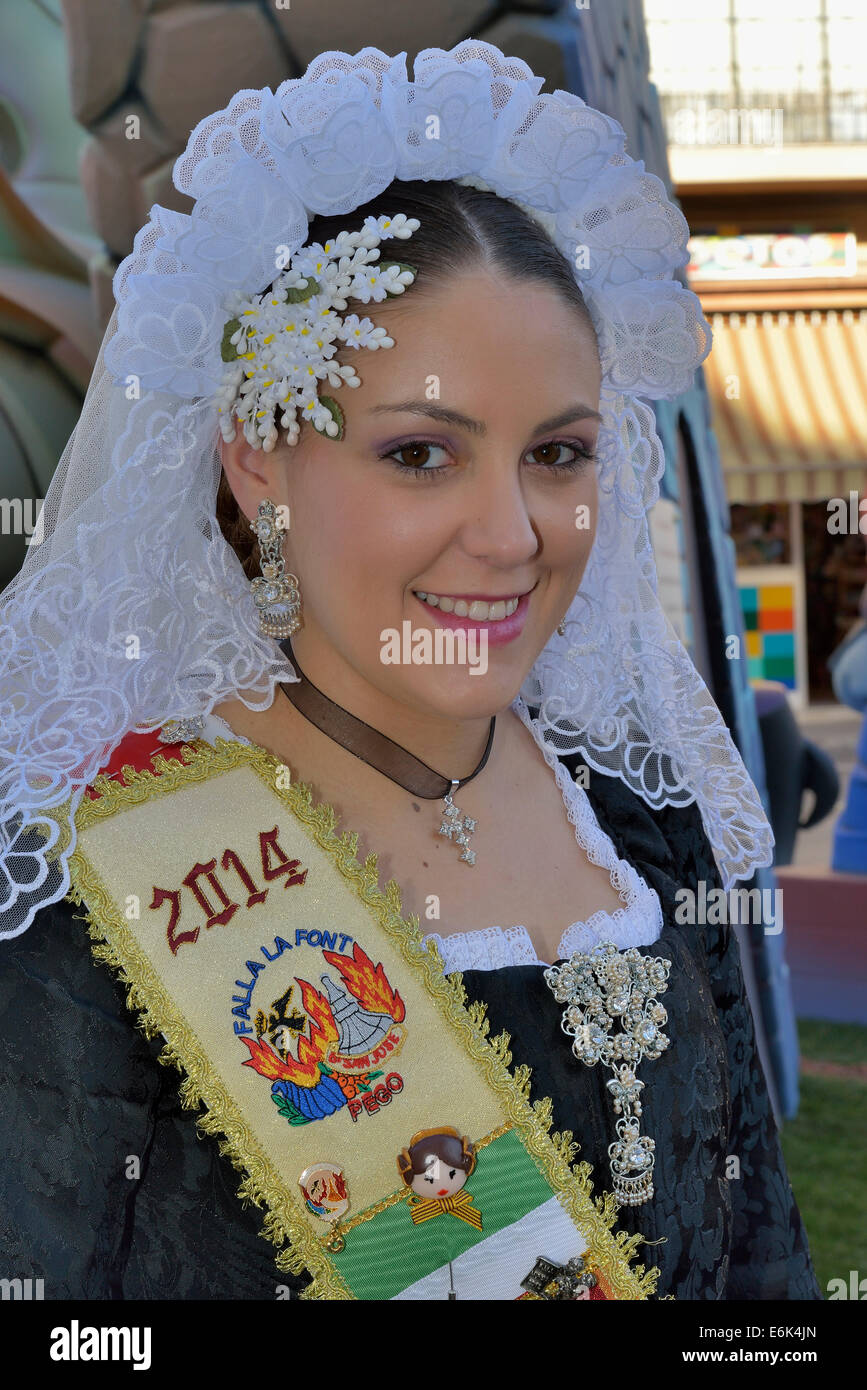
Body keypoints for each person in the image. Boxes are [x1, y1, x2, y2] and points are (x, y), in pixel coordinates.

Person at [0, 41, 820, 1300]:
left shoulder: (647, 839)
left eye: (558, 453)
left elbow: (759, 1264)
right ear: (257, 460)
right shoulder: (117, 870)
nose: (512, 535)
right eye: (423, 455)